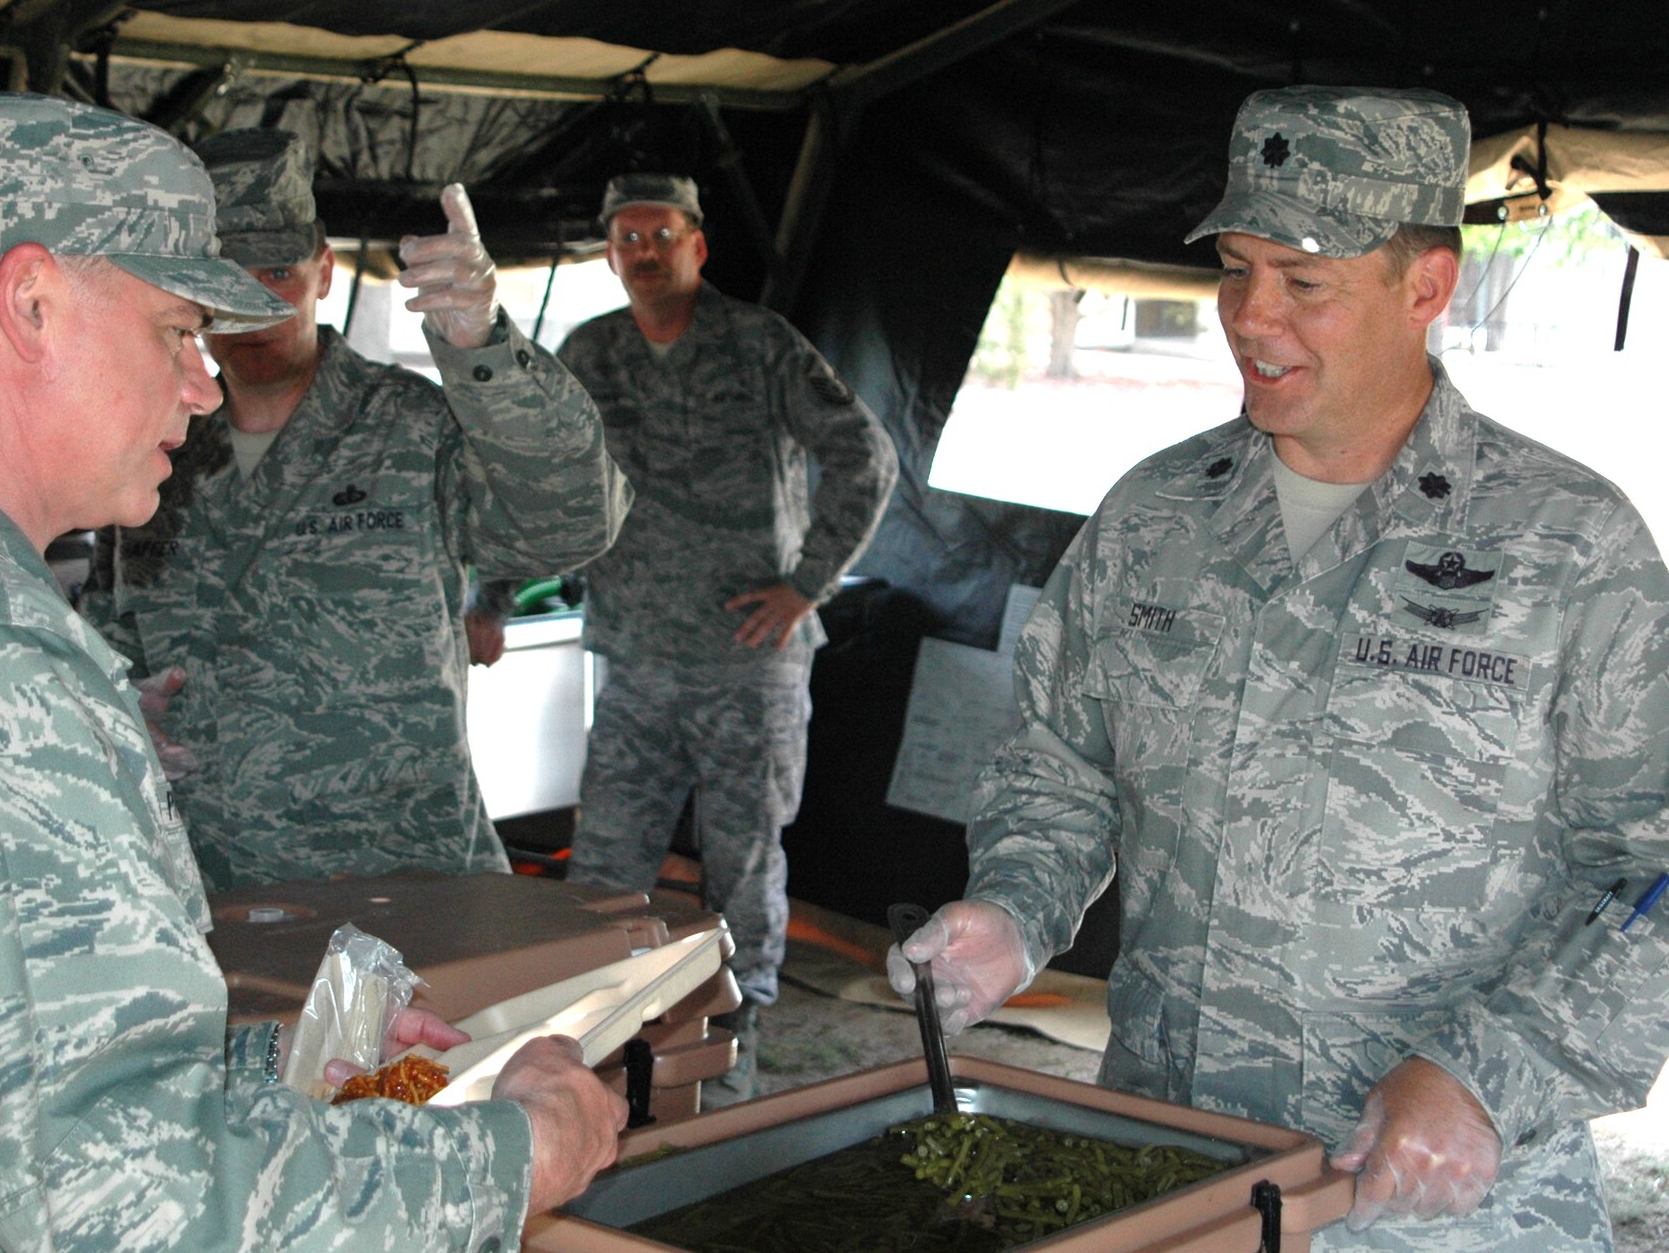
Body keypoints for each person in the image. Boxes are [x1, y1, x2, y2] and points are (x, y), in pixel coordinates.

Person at [0, 90, 625, 1252]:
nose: (203, 379)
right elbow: (128, 1204)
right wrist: (512, 1154)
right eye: (175, 331)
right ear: (30, 303)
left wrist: (262, 1066)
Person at [888, 86, 1669, 1250]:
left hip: (1434, 1198)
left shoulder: (1567, 545)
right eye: (1236, 270)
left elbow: (1647, 870)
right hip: (1174, 1167)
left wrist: (1482, 1079)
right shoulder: (1156, 515)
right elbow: (1060, 764)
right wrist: (1014, 908)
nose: (1251, 318)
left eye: (1303, 283)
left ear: (1424, 287)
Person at [81, 128, 630, 889]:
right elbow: (108, 627)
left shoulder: (414, 424)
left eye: (277, 270)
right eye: (228, 275)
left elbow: (573, 524)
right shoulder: (155, 451)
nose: (254, 303)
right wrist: (112, 705)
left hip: (400, 876)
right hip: (208, 886)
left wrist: (484, 350)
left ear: (324, 272)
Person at [559, 174, 897, 1102]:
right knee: (604, 868)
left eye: (661, 235)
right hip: (634, 662)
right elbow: (550, 477)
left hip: (747, 667)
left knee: (743, 865)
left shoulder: (757, 346)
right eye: (626, 238)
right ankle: (587, 1037)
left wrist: (806, 586)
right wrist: (495, 595)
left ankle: (736, 1039)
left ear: (698, 246)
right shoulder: (589, 352)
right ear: (610, 254)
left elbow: (866, 454)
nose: (643, 253)